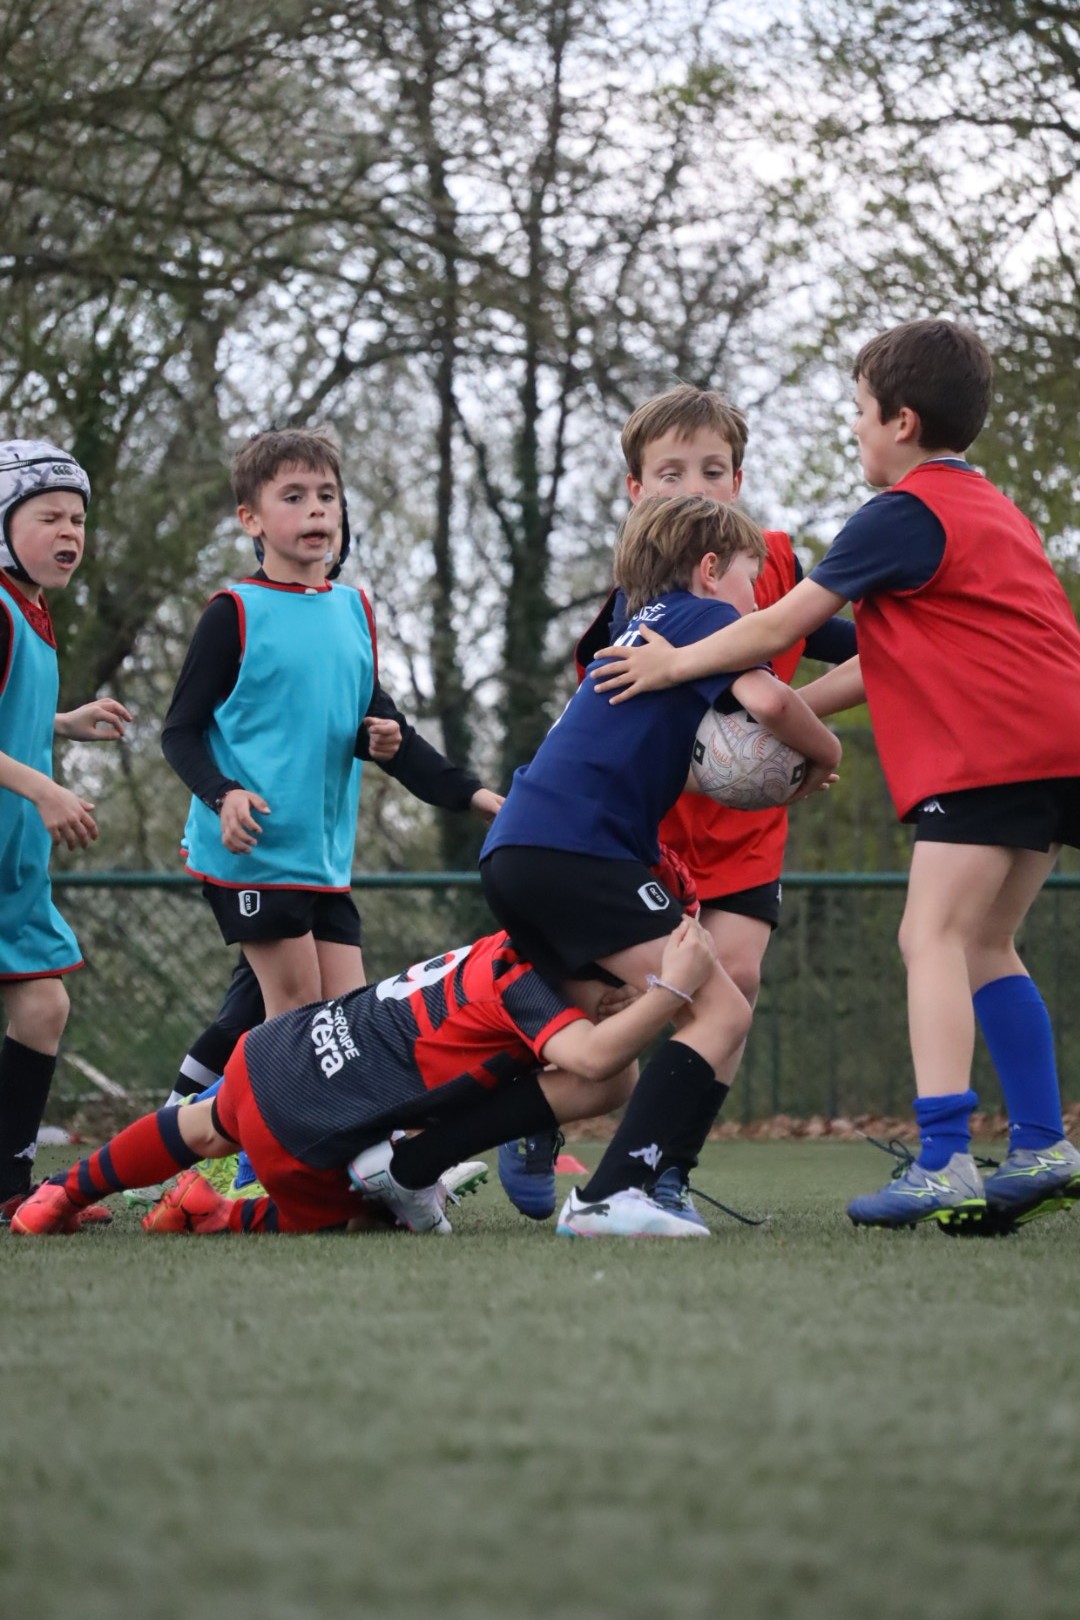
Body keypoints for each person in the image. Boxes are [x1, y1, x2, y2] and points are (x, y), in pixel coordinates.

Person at [589, 319, 1080, 1232]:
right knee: (988, 942)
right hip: (1061, 746)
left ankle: (942, 1160)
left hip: (992, 749)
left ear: (900, 421)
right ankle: (1045, 1144)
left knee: (929, 937)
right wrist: (789, 722)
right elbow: (883, 663)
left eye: (858, 410)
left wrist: (673, 664)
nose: (852, 428)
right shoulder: (994, 511)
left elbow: (780, 626)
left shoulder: (900, 514)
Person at [497, 386, 856, 1221]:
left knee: (735, 980)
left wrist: (789, 743)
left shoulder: (776, 566)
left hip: (746, 828)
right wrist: (783, 736)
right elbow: (623, 716)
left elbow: (855, 648)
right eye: (670, 473)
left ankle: (665, 1171)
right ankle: (536, 1106)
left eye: (712, 470)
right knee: (615, 999)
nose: (694, 487)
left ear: (739, 480)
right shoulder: (644, 591)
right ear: (635, 490)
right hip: (651, 827)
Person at [10, 918, 718, 1236]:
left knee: (201, 1125)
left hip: (276, 1052)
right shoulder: (530, 989)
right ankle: (220, 1213)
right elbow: (594, 1061)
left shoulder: (503, 948)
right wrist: (672, 992)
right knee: (365, 1213)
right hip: (307, 1129)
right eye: (623, 982)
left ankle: (60, 1193)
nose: (627, 994)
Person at [162, 425, 501, 1032]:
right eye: (293, 497)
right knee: (297, 1020)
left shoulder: (354, 612)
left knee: (346, 1024)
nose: (316, 508)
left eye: (327, 495)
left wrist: (472, 795)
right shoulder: (233, 613)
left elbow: (385, 731)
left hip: (322, 862)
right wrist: (224, 795)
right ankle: (247, 1098)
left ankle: (194, 1094)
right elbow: (179, 732)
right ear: (250, 519)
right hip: (254, 852)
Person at [0, 440, 131, 1219]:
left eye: (77, 519)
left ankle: (10, 1190)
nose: (68, 532)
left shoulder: (30, 611)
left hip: (14, 863)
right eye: (48, 516)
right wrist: (45, 787)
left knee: (43, 1006)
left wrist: (59, 724)